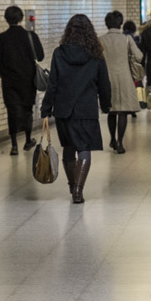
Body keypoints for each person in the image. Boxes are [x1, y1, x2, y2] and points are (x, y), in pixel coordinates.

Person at [40, 14, 112, 204]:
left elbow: (53, 84)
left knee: (69, 148)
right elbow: (104, 83)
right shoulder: (96, 54)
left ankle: (72, 185)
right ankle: (78, 191)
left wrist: (46, 108)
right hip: (85, 108)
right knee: (84, 148)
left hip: (64, 108)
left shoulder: (59, 53)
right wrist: (106, 104)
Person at [0, 5, 44, 156]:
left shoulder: (1, 38)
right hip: (27, 79)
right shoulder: (30, 36)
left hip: (9, 80)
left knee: (12, 110)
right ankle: (28, 139)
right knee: (27, 108)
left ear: (6, 19)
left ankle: (14, 144)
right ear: (21, 19)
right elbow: (40, 56)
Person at [101, 10, 143, 154]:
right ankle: (120, 142)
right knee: (123, 112)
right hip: (124, 78)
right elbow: (139, 57)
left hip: (107, 79)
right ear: (120, 23)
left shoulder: (101, 40)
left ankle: (112, 138)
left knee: (111, 111)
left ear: (107, 24)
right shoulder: (127, 39)